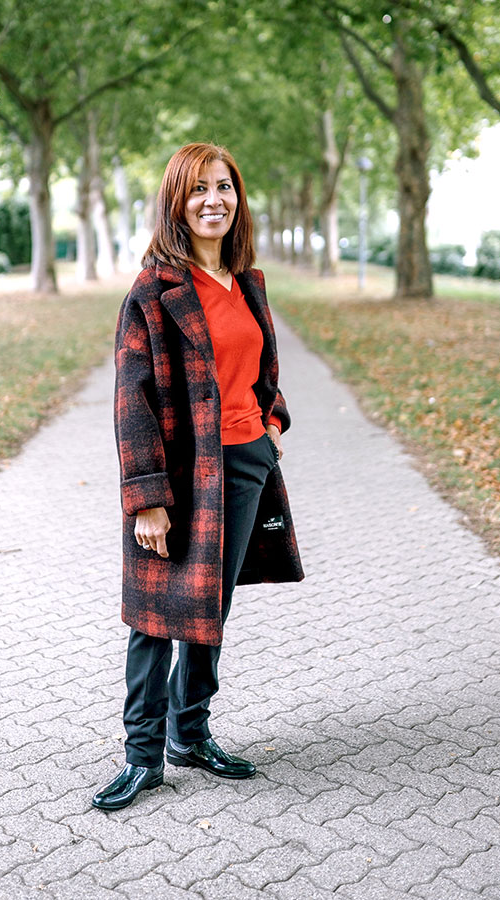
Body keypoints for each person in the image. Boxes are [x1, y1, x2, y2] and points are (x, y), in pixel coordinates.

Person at [92, 142, 304, 811]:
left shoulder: (248, 284)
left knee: (212, 608)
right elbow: (133, 401)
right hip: (180, 476)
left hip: (244, 467)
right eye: (198, 190)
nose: (214, 200)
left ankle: (192, 733)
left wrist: (271, 428)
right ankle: (141, 755)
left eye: (225, 187)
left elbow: (265, 375)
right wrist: (147, 500)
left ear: (237, 199)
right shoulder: (152, 294)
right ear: (176, 204)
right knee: (156, 617)